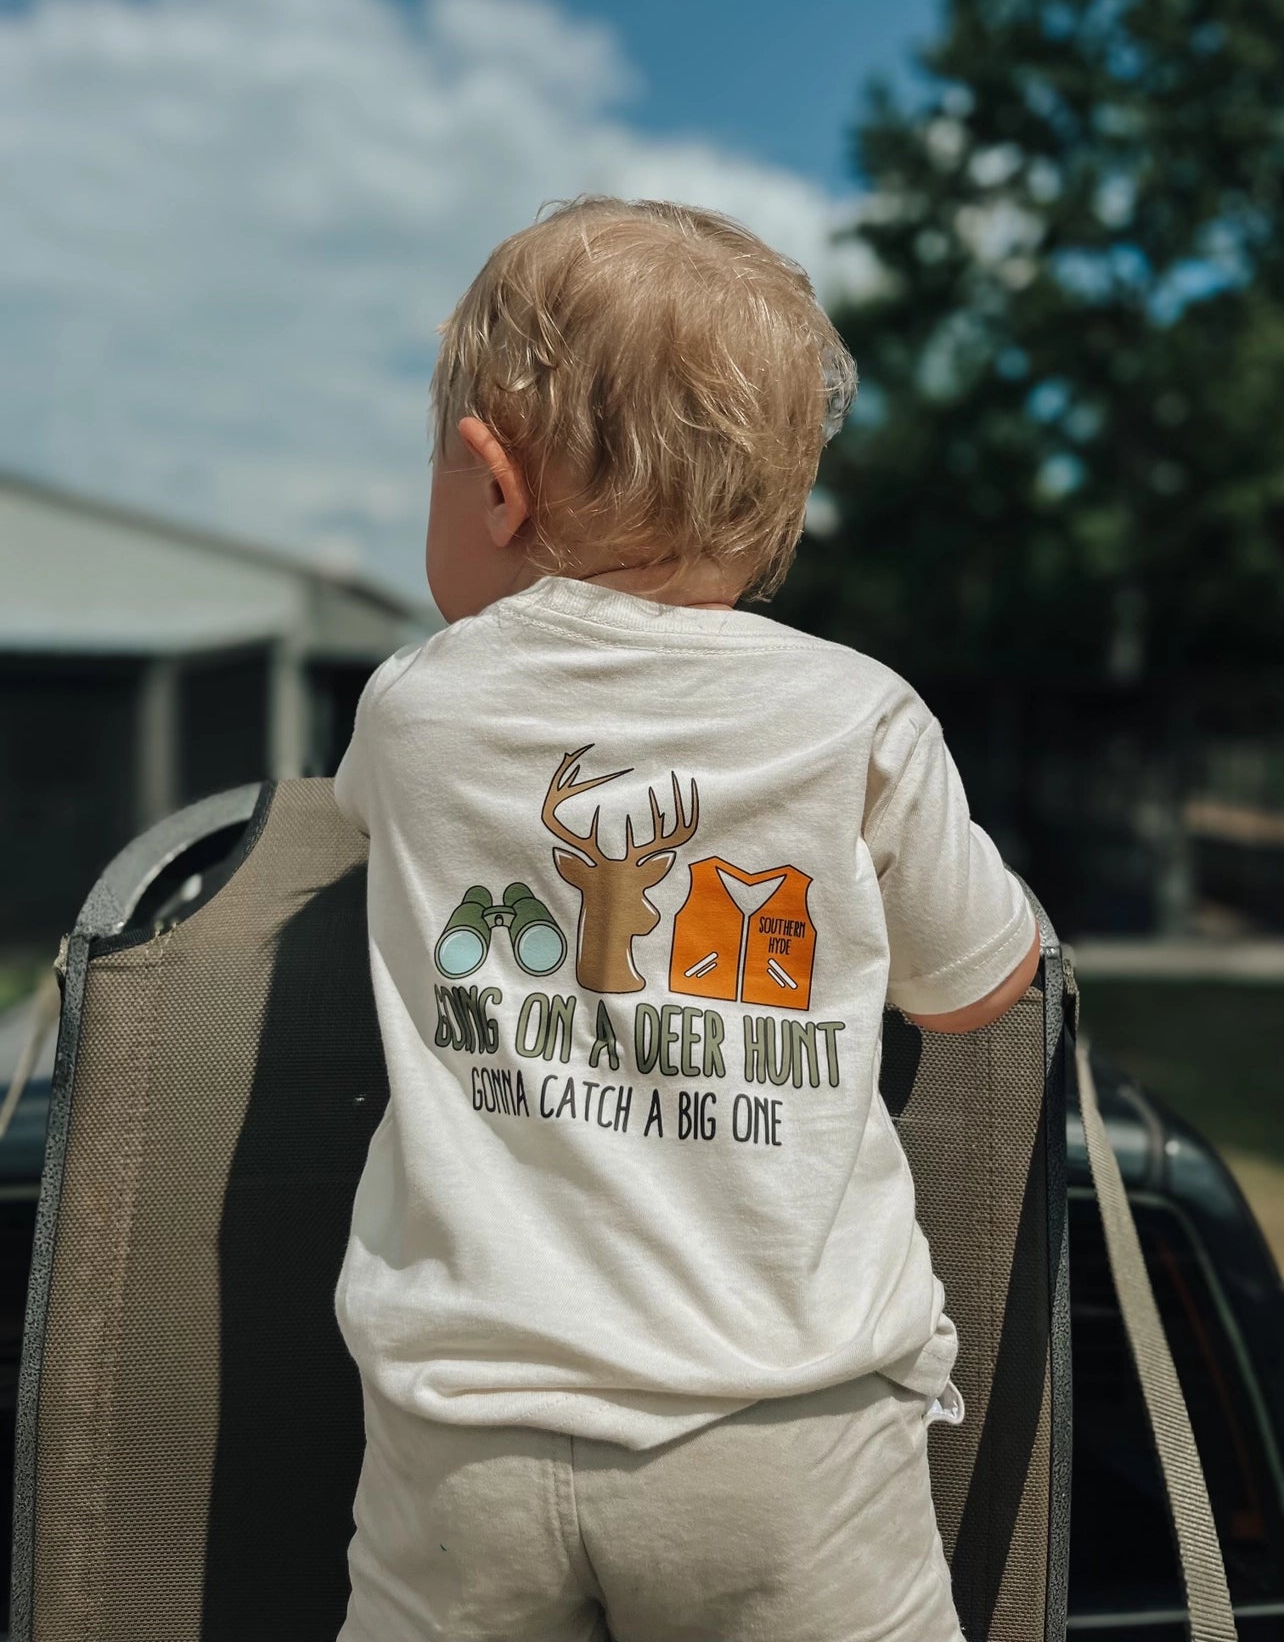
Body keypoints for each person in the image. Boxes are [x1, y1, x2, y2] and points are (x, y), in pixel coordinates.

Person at [331, 193, 1041, 1642]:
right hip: (783, 1432)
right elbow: (976, 986)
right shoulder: (860, 717)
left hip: (462, 1434)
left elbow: (361, 837)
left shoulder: (413, 711)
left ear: (493, 484)